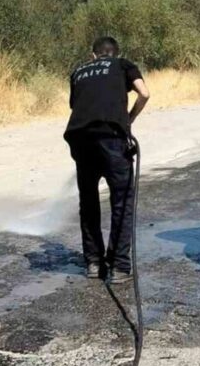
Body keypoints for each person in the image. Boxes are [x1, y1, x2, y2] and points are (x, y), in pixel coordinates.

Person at [64, 36, 150, 283]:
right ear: (115, 53)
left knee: (89, 202)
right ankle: (119, 267)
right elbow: (144, 93)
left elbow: (79, 106)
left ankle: (93, 263)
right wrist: (128, 120)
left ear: (93, 56)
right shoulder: (123, 65)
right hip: (111, 138)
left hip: (80, 139)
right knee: (122, 200)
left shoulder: (78, 72)